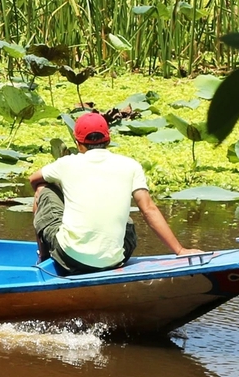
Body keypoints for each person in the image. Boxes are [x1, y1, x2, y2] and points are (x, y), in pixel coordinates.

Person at [28, 112, 200, 274]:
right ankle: (106, 257)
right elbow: (148, 209)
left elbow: (33, 179)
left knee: (43, 188)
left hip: (70, 258)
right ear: (108, 140)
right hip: (116, 259)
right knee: (128, 221)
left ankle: (43, 257)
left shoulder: (66, 164)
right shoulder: (131, 165)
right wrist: (180, 250)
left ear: (77, 143)